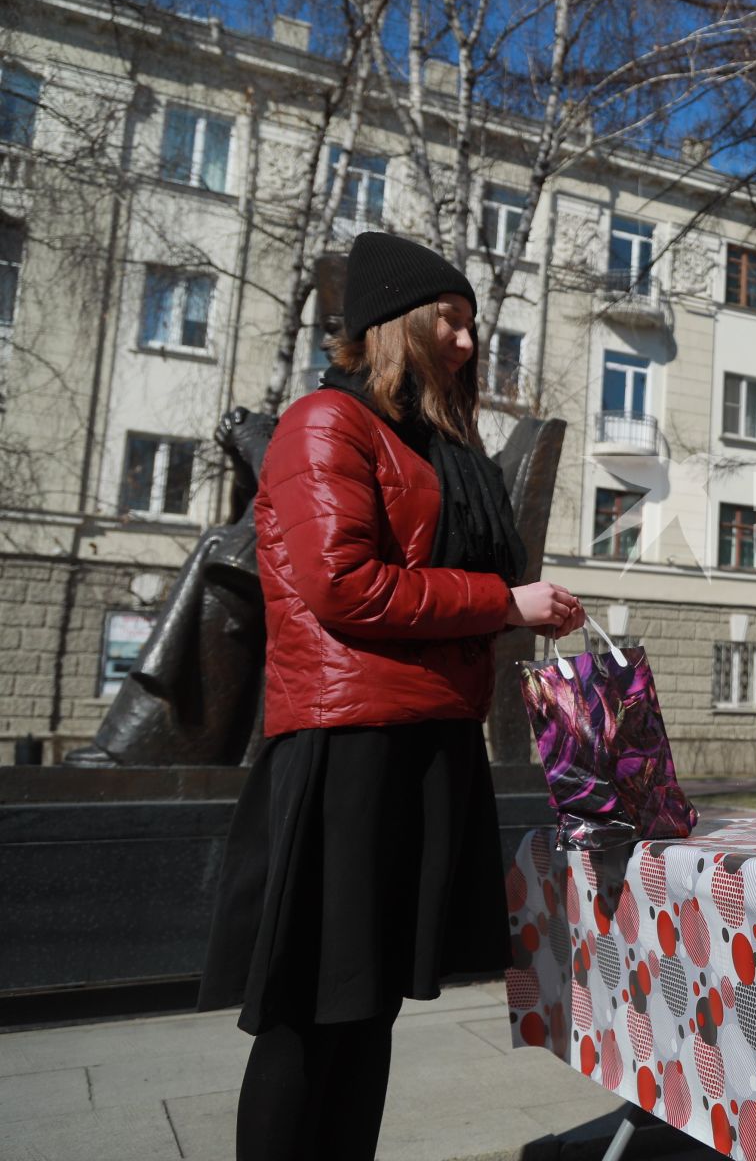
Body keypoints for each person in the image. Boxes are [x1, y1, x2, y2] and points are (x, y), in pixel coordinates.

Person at [198, 231, 586, 1160]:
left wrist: (508, 607)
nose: (465, 341)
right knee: (310, 1013)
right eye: (448, 321)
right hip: (347, 747)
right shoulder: (326, 424)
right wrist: (502, 601)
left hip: (426, 740)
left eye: (470, 325)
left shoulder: (435, 444)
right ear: (394, 324)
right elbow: (344, 585)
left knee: (365, 1012)